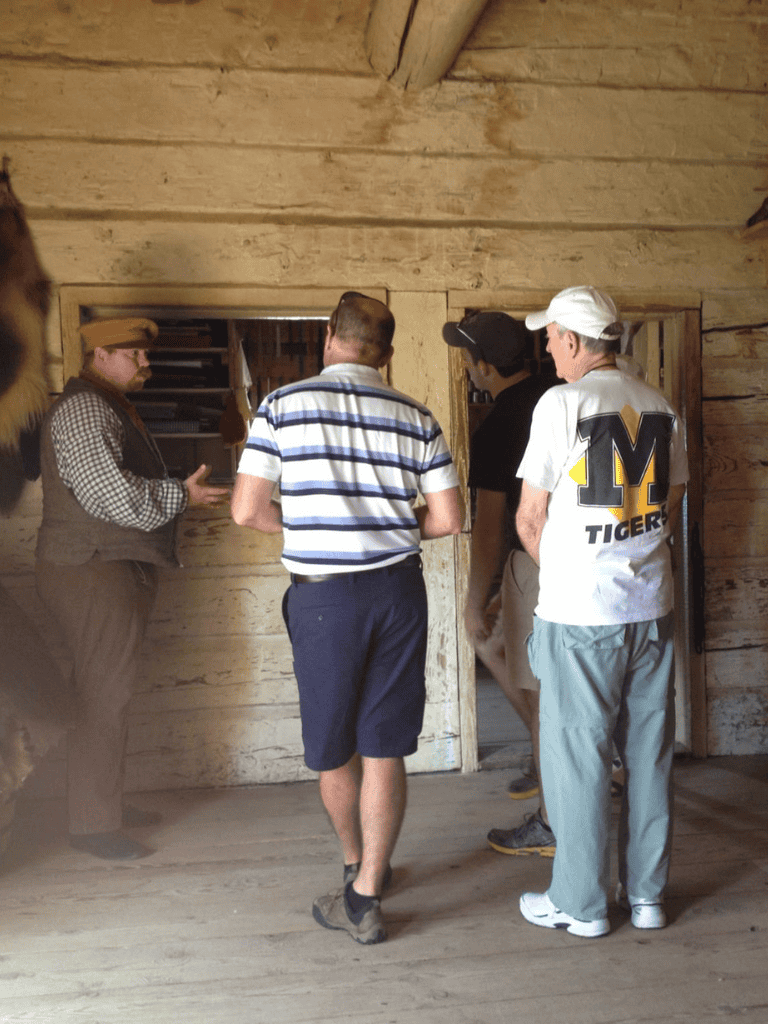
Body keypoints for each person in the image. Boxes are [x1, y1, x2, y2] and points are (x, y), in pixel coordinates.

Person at [231, 292, 461, 945]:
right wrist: (382, 524)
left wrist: (306, 523)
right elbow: (447, 519)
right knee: (385, 743)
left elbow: (247, 510)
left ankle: (356, 867)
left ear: (331, 334)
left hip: (324, 597)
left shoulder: (281, 406)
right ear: (385, 353)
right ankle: (369, 891)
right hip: (398, 592)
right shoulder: (416, 415)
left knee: (334, 745)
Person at [513, 286, 688, 938]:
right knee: (648, 754)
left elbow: (531, 518)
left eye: (554, 336)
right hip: (651, 609)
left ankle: (581, 904)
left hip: (581, 613)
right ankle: (646, 898)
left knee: (576, 756)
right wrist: (628, 546)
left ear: (580, 342)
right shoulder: (659, 404)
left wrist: (568, 569)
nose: (549, 346)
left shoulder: (562, 404)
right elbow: (671, 496)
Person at [35, 318, 229, 861]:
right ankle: (92, 824)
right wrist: (179, 496)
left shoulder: (105, 404)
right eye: (135, 355)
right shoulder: (85, 409)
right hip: (91, 568)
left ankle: (104, 807)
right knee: (104, 694)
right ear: (100, 353)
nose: (147, 365)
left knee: (107, 689)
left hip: (102, 566)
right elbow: (111, 498)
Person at [442, 311, 556, 856]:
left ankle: (552, 812)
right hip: (582, 563)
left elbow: (489, 529)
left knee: (517, 669)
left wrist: (471, 601)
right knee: (553, 685)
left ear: (484, 366)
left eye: (470, 360)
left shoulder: (499, 424)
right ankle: (550, 765)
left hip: (531, 567)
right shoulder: (560, 396)